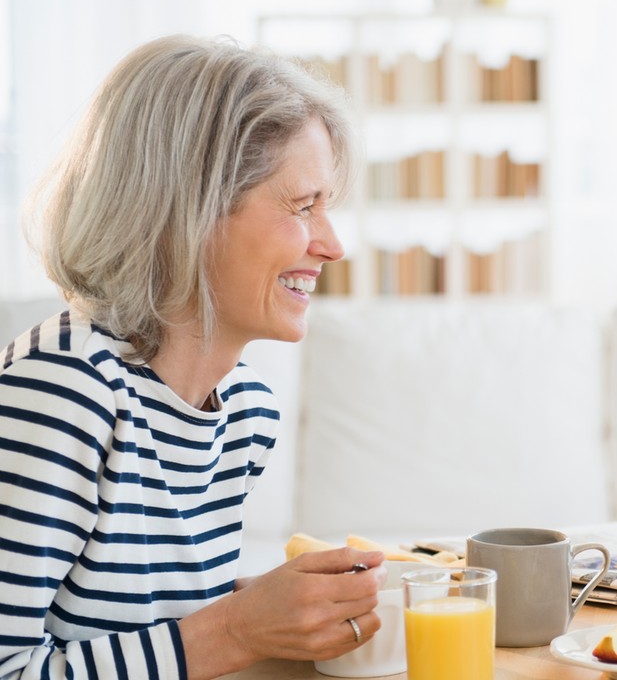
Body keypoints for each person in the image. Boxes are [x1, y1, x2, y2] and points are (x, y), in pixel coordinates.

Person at [0, 35, 386, 679]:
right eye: (302, 206)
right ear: (192, 210)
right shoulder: (64, 392)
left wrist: (276, 610)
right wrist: (237, 628)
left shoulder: (242, 413)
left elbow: (144, 632)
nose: (332, 244)